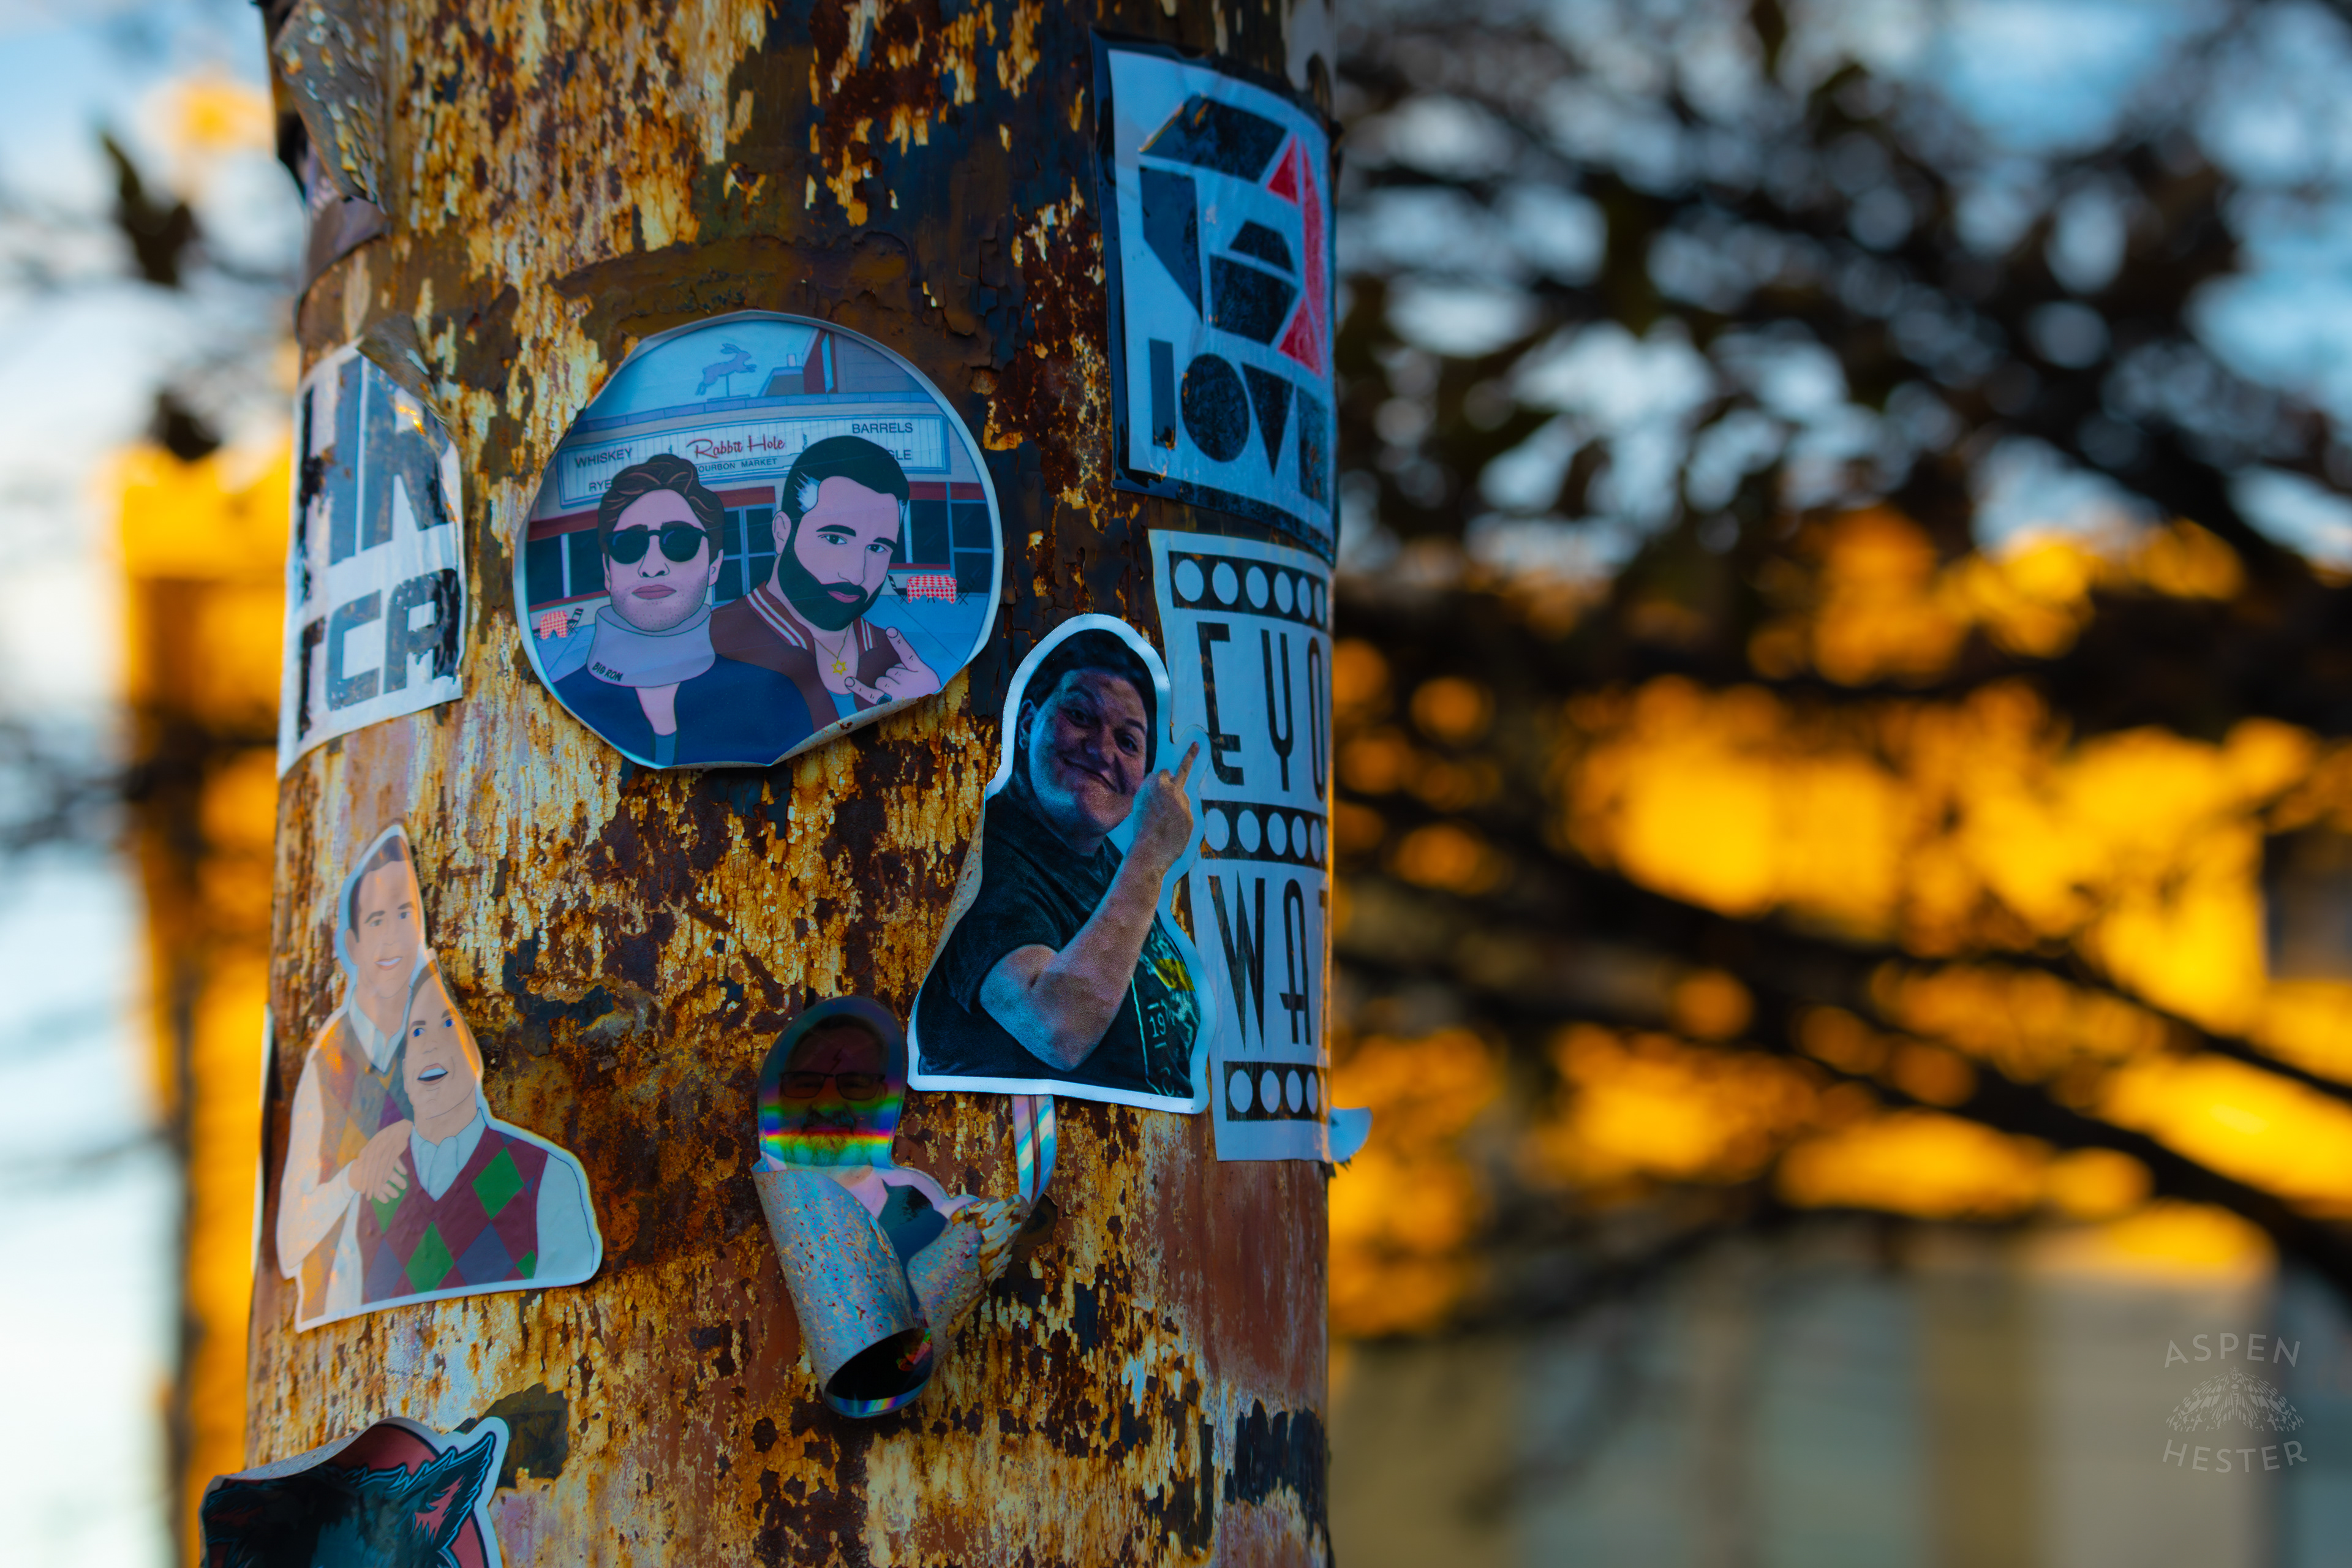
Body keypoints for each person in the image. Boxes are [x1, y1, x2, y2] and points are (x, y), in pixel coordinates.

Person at [916, 630, 1203, 1098]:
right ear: (1028, 724)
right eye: (1080, 716)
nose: (1103, 751)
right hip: (1014, 1146)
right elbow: (1057, 1029)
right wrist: (1151, 854)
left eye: (1128, 741)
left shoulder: (1112, 867)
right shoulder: (978, 858)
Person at [355, 963, 598, 1303]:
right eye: (417, 1032)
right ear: (405, 1071)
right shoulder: (376, 1183)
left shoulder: (547, 1175)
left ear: (475, 1053)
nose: (431, 1045)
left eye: (449, 1024)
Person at [553, 453, 815, 766]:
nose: (652, 567)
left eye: (679, 542)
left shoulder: (774, 697)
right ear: (608, 571)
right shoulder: (560, 704)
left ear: (714, 565)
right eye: (628, 544)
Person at [277, 831, 428, 1327]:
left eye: (404, 914)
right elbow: (290, 1241)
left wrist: (410, 1133)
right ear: (353, 944)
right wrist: (353, 1178)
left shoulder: (437, 1035)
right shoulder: (328, 1063)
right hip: (343, 1318)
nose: (392, 937)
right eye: (376, 920)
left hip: (429, 1305)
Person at [711, 436, 942, 725]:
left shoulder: (896, 657)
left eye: (877, 548)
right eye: (835, 539)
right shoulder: (712, 642)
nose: (856, 575)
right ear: (782, 532)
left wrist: (929, 711)